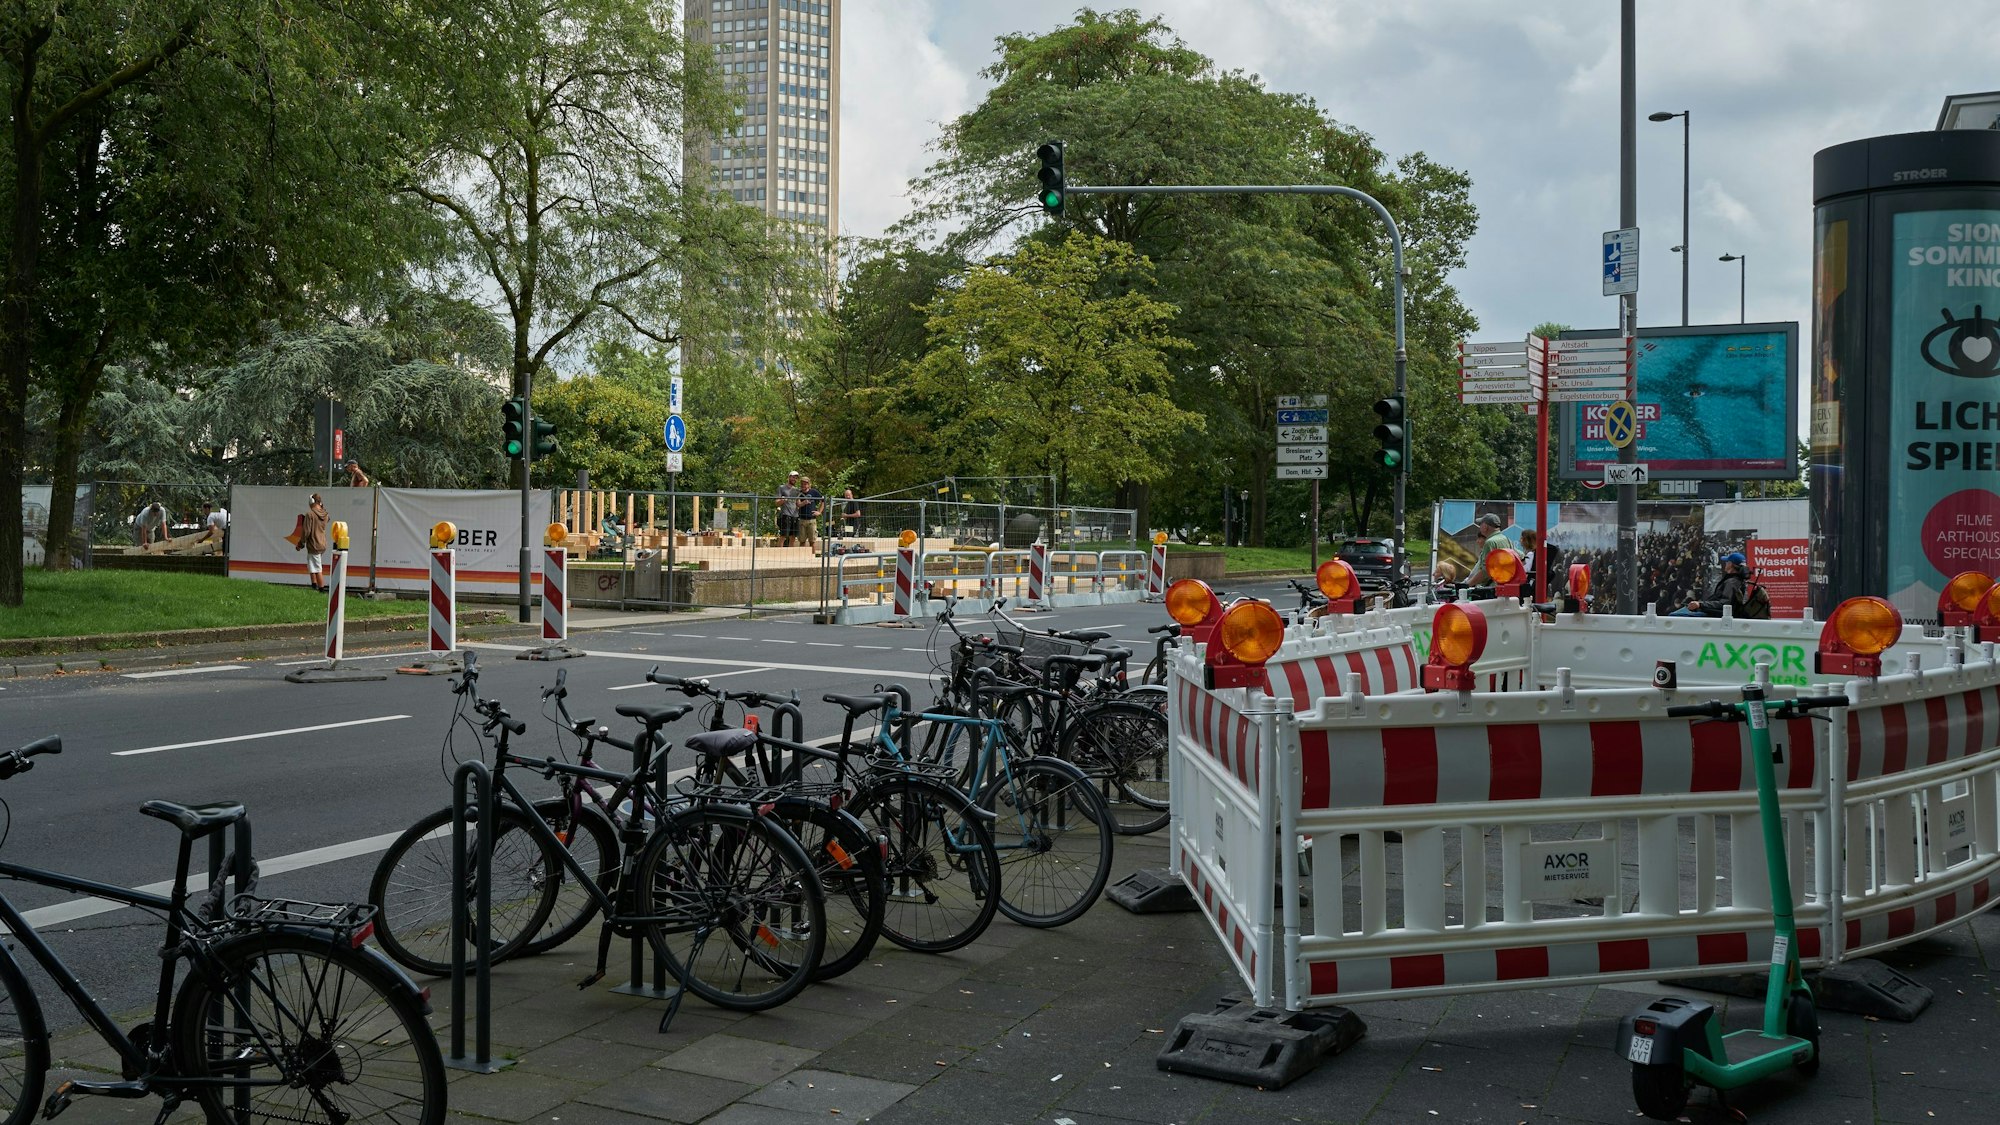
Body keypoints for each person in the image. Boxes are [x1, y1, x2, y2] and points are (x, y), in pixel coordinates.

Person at [1672, 551, 1749, 617]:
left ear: (1730, 564)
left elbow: (1725, 604)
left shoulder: (1732, 582)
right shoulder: (1736, 580)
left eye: (1727, 562)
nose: (1725, 564)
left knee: (1674, 616)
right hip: (1715, 612)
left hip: (1716, 614)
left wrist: (1700, 605)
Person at [1463, 513, 1514, 586]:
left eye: (1480, 524)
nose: (1479, 527)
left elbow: (1485, 571)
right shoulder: (1506, 539)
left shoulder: (1490, 542)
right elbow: (1521, 557)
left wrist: (1467, 585)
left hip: (1491, 588)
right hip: (1504, 585)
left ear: (1485, 526)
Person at [299, 493, 331, 592]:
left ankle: (321, 589)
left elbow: (306, 531)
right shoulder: (325, 514)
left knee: (317, 568)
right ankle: (314, 585)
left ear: (311, 501)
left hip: (314, 544)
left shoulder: (310, 514)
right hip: (322, 544)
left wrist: (301, 543)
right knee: (312, 564)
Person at [795, 476, 824, 553]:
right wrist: (803, 503)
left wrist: (819, 512)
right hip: (802, 519)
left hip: (812, 519)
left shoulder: (814, 492)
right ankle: (802, 556)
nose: (803, 485)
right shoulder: (799, 493)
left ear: (808, 484)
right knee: (802, 541)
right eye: (802, 484)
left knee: (812, 541)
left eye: (805, 484)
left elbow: (823, 501)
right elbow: (798, 504)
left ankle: (812, 557)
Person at [777, 471, 800, 547]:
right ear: (789, 477)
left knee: (793, 536)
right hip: (785, 515)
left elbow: (798, 503)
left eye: (796, 478)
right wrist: (782, 500)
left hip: (795, 515)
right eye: (793, 477)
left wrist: (806, 502)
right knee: (783, 536)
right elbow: (777, 502)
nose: (794, 479)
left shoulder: (797, 490)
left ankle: (791, 554)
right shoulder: (782, 488)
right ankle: (779, 553)